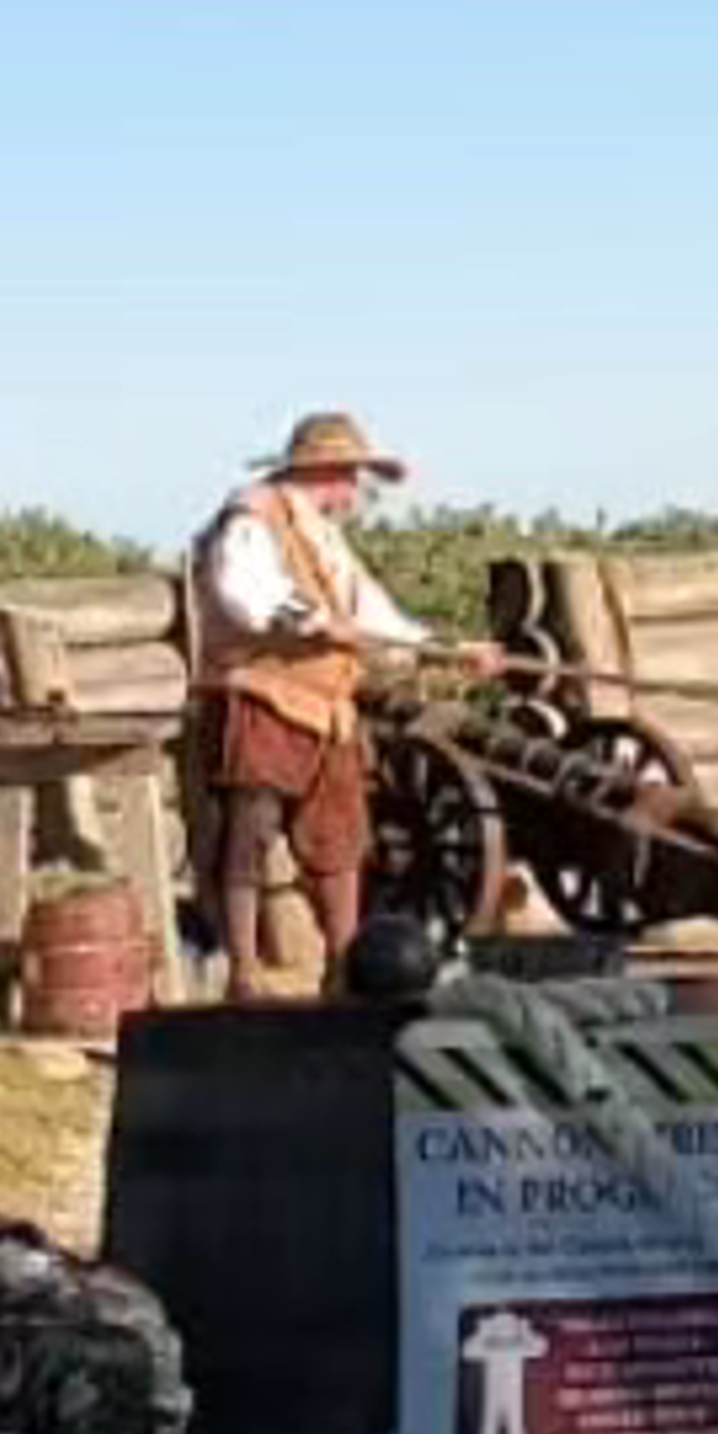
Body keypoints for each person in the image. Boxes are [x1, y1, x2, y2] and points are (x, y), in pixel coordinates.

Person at [185, 404, 434, 1000]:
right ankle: (244, 972)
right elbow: (244, 593)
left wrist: (442, 647)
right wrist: (319, 624)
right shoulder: (252, 516)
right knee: (250, 832)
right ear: (330, 472)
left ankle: (343, 970)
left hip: (327, 707)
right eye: (352, 477)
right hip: (261, 692)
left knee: (339, 841)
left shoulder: (326, 538)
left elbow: (372, 613)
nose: (357, 491)